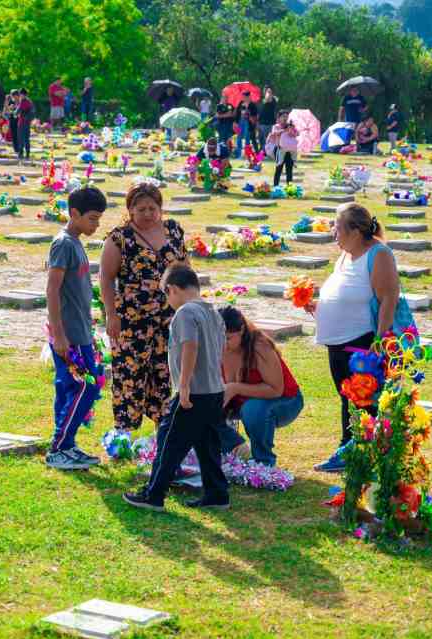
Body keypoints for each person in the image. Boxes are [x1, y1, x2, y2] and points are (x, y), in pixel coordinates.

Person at [123, 263, 229, 512]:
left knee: (169, 441)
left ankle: (154, 494)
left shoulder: (185, 313)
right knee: (208, 444)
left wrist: (183, 385)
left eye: (165, 294)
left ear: (171, 289)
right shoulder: (213, 311)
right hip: (214, 390)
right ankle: (217, 493)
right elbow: (220, 349)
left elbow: (190, 346)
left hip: (192, 392)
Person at [309, 203, 402, 474]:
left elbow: (388, 298)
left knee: (361, 398)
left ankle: (356, 449)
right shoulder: (346, 254)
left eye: (337, 227)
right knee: (346, 396)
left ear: (355, 231)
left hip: (361, 341)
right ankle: (352, 449)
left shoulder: (379, 253)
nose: (333, 232)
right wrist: (318, 305)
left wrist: (380, 340)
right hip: (337, 341)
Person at [99, 182, 188, 433]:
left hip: (169, 316)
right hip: (131, 318)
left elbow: (185, 268)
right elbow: (106, 278)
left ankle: (164, 428)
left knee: (164, 370)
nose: (148, 214)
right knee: (131, 373)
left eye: (152, 208)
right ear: (130, 210)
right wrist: (111, 315)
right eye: (141, 209)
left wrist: (189, 306)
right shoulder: (120, 238)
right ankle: (124, 431)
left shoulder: (173, 230)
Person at [45, 186, 109, 470]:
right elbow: (52, 289)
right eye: (93, 218)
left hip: (81, 331)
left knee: (70, 387)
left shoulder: (76, 241)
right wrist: (59, 334)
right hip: (69, 335)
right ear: (75, 214)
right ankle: (58, 448)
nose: (96, 224)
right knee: (88, 386)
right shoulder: (64, 244)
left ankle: (66, 445)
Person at [218, 306, 303, 467]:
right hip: (241, 402)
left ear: (241, 330)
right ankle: (229, 452)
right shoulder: (216, 346)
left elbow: (276, 389)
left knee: (253, 409)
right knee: (200, 404)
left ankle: (263, 462)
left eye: (227, 338)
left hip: (285, 401)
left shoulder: (260, 346)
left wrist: (235, 388)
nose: (222, 343)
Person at [268, 118, 297, 187]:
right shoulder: (276, 126)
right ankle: (276, 186)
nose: (285, 119)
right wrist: (284, 130)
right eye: (283, 117)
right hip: (279, 150)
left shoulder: (291, 126)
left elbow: (296, 134)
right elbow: (274, 133)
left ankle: (289, 187)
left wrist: (292, 131)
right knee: (279, 169)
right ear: (279, 118)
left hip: (289, 151)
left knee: (289, 170)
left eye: (286, 117)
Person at [234, 90, 259, 156]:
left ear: (249, 96)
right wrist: (236, 122)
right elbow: (237, 113)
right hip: (240, 122)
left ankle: (247, 154)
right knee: (239, 137)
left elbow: (255, 116)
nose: (243, 98)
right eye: (243, 96)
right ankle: (238, 154)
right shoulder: (241, 103)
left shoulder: (252, 105)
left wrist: (247, 110)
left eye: (245, 96)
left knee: (247, 138)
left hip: (248, 123)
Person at [16, 88, 34, 161]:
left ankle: (21, 154)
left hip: (22, 122)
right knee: (26, 139)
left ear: (22, 94)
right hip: (27, 122)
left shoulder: (23, 101)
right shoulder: (29, 101)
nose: (20, 96)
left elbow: (18, 111)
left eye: (20, 94)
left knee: (21, 138)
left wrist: (14, 111)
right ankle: (27, 154)